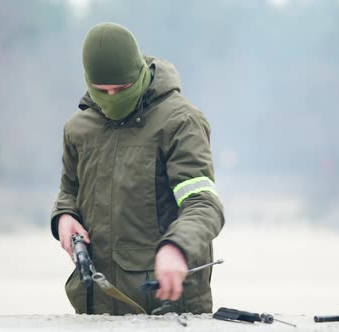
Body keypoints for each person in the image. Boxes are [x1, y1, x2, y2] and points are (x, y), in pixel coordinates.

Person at [50, 22, 224, 315]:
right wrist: (64, 217)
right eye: (102, 90)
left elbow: (203, 204)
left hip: (168, 309)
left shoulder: (180, 123)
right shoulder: (78, 129)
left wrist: (176, 247)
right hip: (97, 308)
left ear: (139, 73)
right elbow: (69, 191)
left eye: (122, 88)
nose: (112, 96)